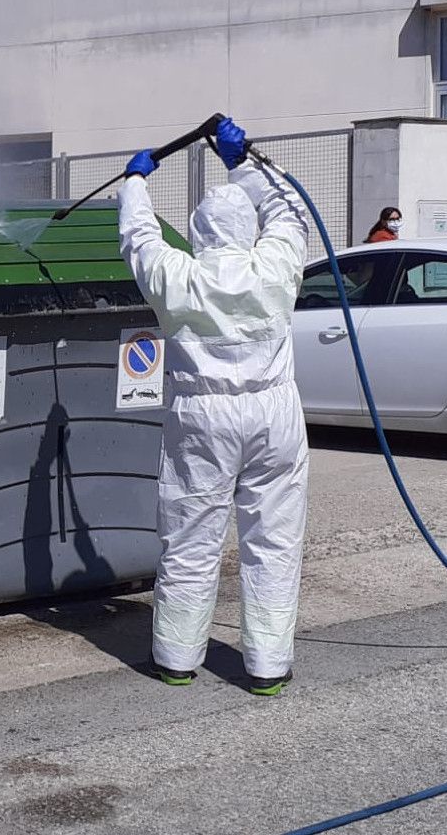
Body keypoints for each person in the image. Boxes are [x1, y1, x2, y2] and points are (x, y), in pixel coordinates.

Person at [117, 118, 311, 697]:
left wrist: (136, 182)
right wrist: (243, 163)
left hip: (202, 416)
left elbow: (139, 238)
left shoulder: (178, 275)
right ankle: (268, 666)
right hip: (273, 412)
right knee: (273, 542)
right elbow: (290, 213)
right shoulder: (274, 264)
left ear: (198, 231)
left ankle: (177, 658)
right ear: (248, 230)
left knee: (190, 536)